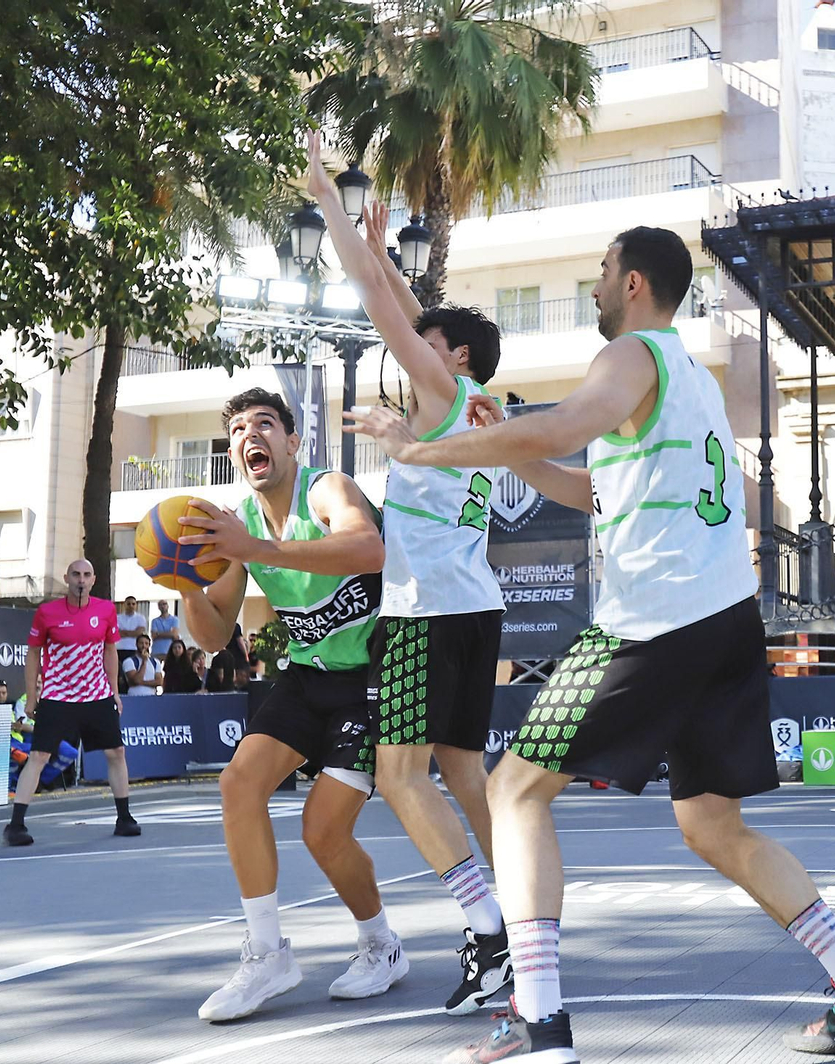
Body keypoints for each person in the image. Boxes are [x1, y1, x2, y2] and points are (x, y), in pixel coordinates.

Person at [348, 222, 835, 1063]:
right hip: (725, 619)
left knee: (512, 791)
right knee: (713, 827)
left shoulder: (629, 357)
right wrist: (500, 442)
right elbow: (589, 485)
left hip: (654, 620)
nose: (595, 285)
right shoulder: (688, 377)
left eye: (603, 270)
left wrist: (420, 446)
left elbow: (558, 428)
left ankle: (539, 1021)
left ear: (637, 283)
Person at [313, 153, 513, 1015]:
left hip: (427, 611)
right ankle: (530, 928)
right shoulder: (474, 410)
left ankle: (488, 931)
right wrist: (378, 241)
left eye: (428, 339)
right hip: (476, 611)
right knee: (465, 774)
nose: (413, 342)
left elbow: (377, 304)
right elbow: (399, 301)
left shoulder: (440, 390)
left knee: (400, 777)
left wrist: (329, 202)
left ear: (454, 354)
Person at [175, 386, 401, 1022]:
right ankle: (267, 954)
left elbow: (367, 549)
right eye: (240, 429)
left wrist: (258, 552)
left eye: (266, 424)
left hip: (370, 676)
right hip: (305, 678)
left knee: (323, 830)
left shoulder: (327, 489)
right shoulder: (239, 523)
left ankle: (381, 944)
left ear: (293, 441)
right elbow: (216, 635)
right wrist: (185, 583)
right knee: (238, 783)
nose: (252, 435)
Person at [4, 558, 139, 846]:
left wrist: (114, 690)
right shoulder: (46, 612)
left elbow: (110, 650)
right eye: (76, 574)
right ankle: (15, 825)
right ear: (67, 578)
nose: (81, 579)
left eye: (86, 575)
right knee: (39, 756)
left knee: (116, 752)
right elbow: (33, 654)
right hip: (57, 695)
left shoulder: (105, 610)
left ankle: (124, 817)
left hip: (96, 695)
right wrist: (32, 694)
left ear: (93, 579)